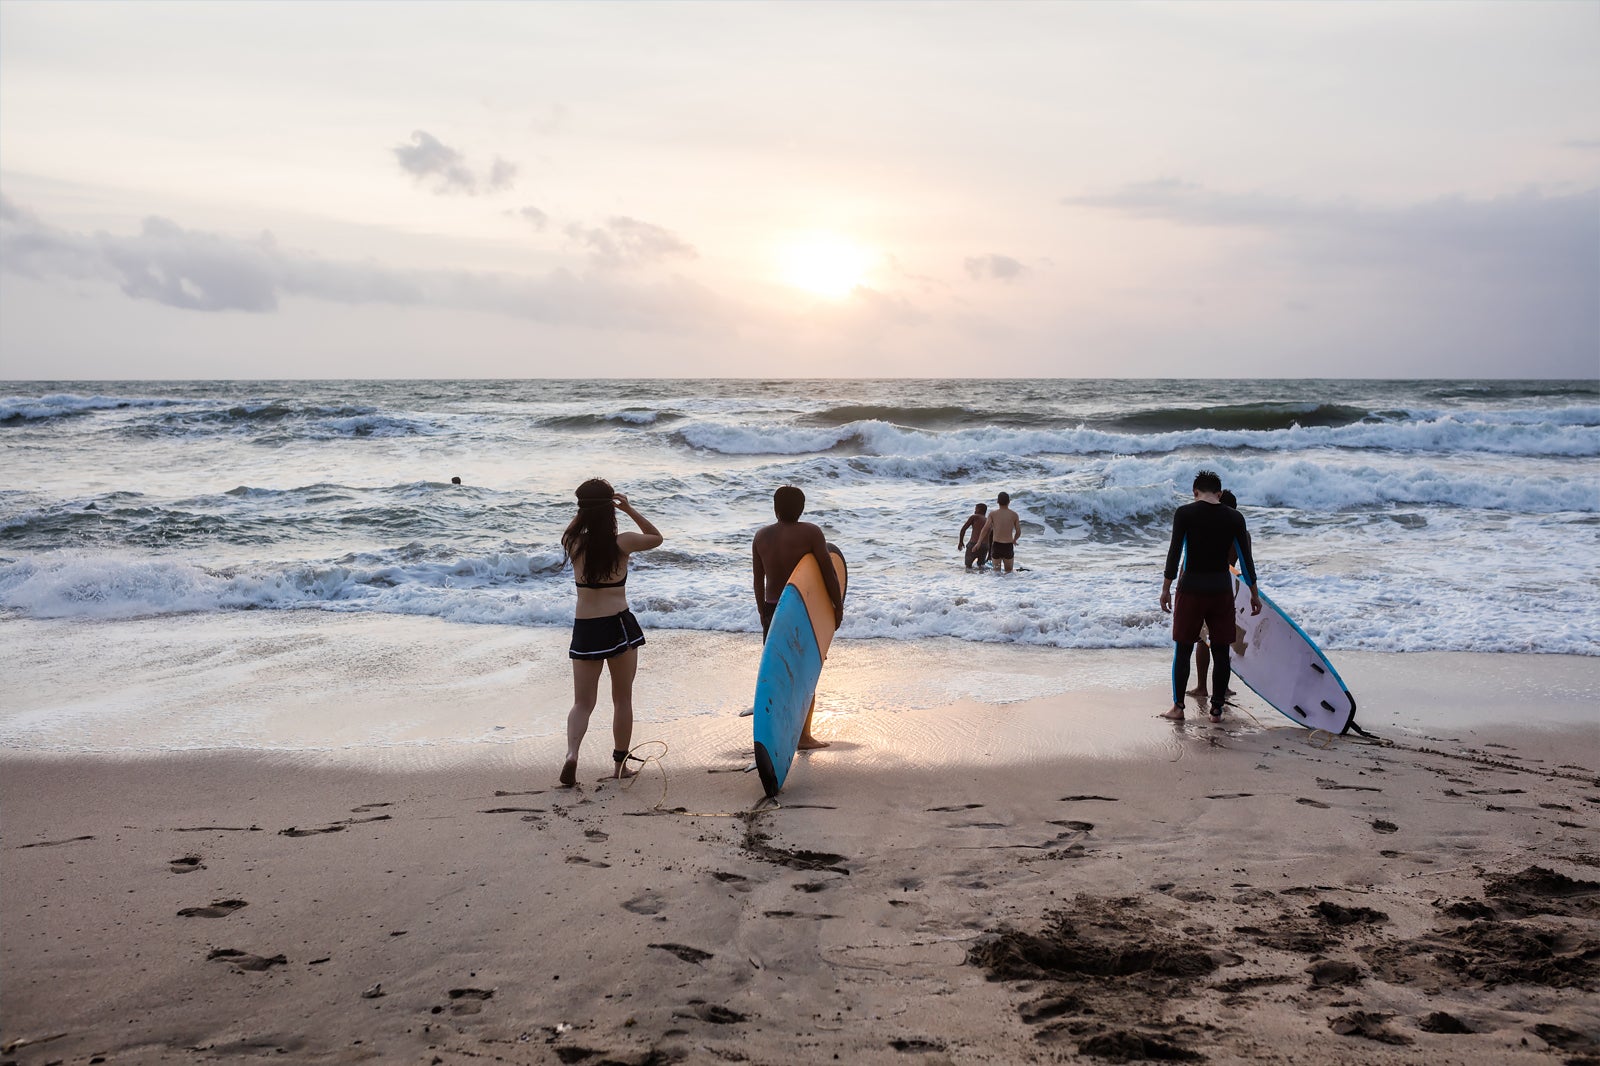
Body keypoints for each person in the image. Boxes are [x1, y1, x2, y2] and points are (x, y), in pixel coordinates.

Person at [558, 479, 663, 786]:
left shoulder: (572, 541)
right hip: (618, 624)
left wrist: (586, 510)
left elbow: (576, 524)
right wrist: (628, 508)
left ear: (581, 509)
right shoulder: (624, 542)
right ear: (609, 509)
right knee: (622, 698)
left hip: (586, 627)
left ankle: (571, 755)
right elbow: (656, 537)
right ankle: (620, 767)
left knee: (582, 703)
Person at [751, 485, 845, 749]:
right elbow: (828, 572)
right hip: (801, 609)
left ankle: (776, 733)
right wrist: (837, 606)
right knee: (805, 671)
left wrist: (762, 613)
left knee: (778, 671)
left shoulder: (761, 536)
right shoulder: (811, 532)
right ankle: (803, 736)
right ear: (802, 509)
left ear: (775, 508)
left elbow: (758, 580)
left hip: (773, 608)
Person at [1161, 472, 1258, 723]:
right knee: (1221, 650)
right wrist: (1254, 594)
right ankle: (1216, 711)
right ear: (1219, 492)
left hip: (1191, 589)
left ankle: (1178, 708)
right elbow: (1246, 561)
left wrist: (1166, 588)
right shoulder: (1235, 517)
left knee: (1183, 649)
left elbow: (1174, 553)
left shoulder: (1185, 513)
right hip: (1221, 591)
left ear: (1195, 492)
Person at [1189, 488, 1238, 705]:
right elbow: (1244, 569)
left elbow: (1189, 560)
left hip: (1202, 588)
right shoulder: (1240, 532)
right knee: (1222, 641)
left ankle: (1201, 687)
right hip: (1228, 589)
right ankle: (1223, 687)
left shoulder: (1207, 529)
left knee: (1203, 639)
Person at [979, 491, 1021, 573]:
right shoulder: (1014, 515)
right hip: (1008, 546)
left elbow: (985, 529)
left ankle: (996, 586)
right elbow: (1018, 532)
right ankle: (1010, 586)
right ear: (1009, 502)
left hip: (997, 546)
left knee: (996, 572)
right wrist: (1014, 540)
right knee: (1009, 572)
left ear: (997, 501)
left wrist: (979, 542)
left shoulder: (993, 514)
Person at [958, 503, 991, 570]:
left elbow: (963, 529)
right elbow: (991, 538)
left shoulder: (974, 517)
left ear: (979, 510)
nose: (975, 511)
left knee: (968, 566)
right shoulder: (989, 521)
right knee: (981, 567)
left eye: (975, 509)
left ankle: (970, 580)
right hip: (985, 546)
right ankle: (981, 580)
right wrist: (990, 554)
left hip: (973, 544)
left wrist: (961, 542)